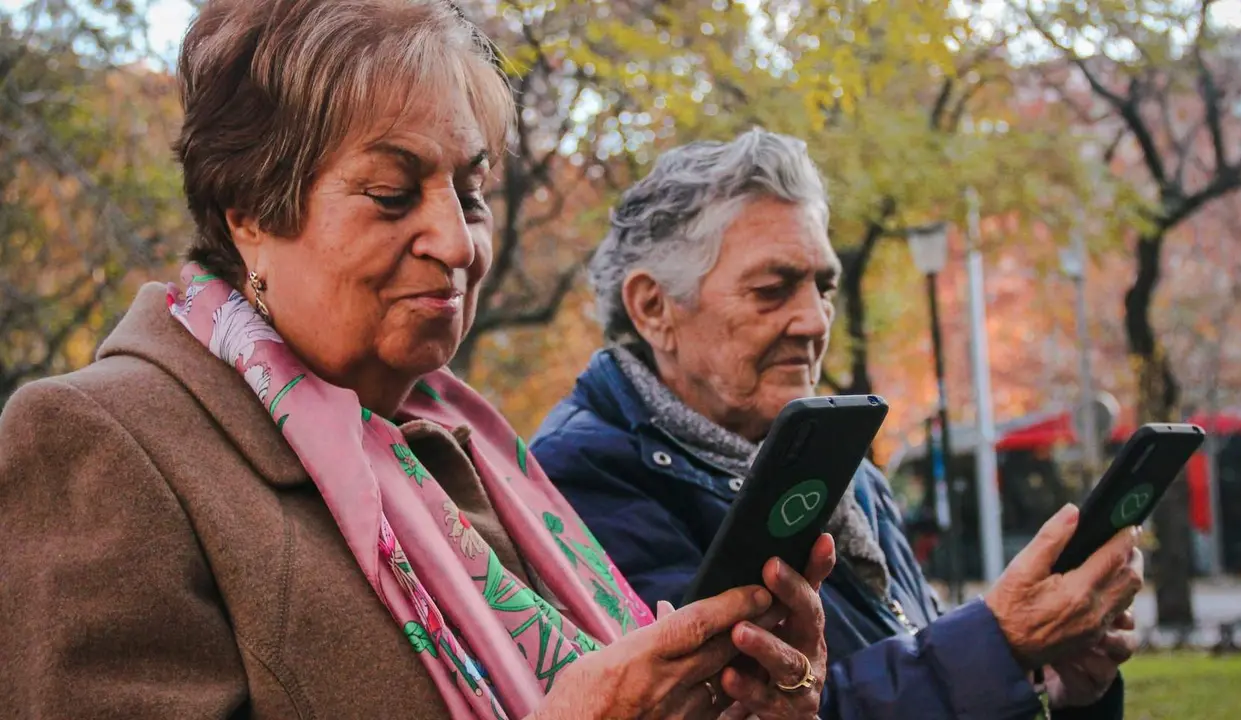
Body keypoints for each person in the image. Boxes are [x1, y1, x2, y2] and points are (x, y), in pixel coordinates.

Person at [0, 4, 833, 719]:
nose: (456, 242)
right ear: (251, 210)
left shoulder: (472, 450)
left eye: (470, 193)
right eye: (392, 195)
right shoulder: (99, 440)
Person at [531, 130, 1144, 719]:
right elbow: (747, 706)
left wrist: (1055, 687)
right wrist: (998, 641)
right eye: (773, 289)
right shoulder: (582, 476)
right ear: (654, 308)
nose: (814, 321)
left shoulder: (833, 463)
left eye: (824, 287)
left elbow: (898, 652)